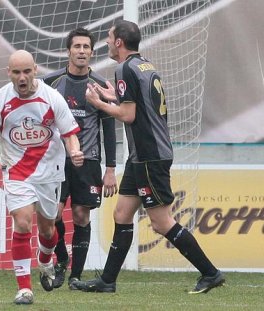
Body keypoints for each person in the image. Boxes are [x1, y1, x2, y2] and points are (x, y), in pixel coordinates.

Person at [74, 20, 225, 294]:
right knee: (122, 214)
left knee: (160, 222)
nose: (106, 43)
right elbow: (138, 105)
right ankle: (107, 281)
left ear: (119, 42)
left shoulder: (124, 68)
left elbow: (129, 115)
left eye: (108, 38)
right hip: (139, 157)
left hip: (149, 156)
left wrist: (99, 104)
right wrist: (111, 96)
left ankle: (210, 273)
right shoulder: (144, 65)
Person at [0, 50, 84, 305]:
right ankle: (24, 288)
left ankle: (45, 258)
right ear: (9, 73)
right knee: (23, 223)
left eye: (27, 71)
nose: (22, 77)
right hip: (16, 171)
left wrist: (75, 150)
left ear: (35, 70)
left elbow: (69, 132)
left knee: (49, 229)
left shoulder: (52, 98)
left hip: (49, 172)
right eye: (17, 72)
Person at [42, 28, 117, 290]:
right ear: (68, 51)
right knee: (52, 216)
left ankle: (75, 275)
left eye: (86, 47)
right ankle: (61, 258)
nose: (82, 51)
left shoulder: (100, 86)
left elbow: (108, 129)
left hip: (89, 161)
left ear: (92, 52)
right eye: (77, 47)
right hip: (56, 161)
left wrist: (110, 169)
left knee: (81, 215)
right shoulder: (50, 83)